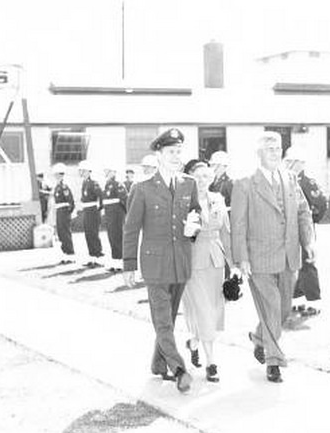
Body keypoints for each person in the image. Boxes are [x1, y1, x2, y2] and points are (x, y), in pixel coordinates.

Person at [231, 132, 315, 383]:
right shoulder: (244, 184)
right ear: (258, 153)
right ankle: (274, 361)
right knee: (271, 306)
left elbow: (303, 212)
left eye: (278, 148)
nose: (275, 153)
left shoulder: (290, 179)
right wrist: (241, 258)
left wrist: (308, 241)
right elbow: (238, 224)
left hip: (289, 257)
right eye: (269, 149)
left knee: (284, 309)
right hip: (259, 259)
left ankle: (259, 338)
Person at [122, 128, 201, 393]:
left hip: (180, 262)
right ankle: (179, 369)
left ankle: (158, 364)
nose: (176, 156)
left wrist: (195, 226)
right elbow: (131, 229)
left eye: (179, 152)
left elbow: (196, 214)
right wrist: (129, 265)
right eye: (171, 152)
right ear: (159, 155)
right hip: (155, 266)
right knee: (163, 321)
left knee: (168, 319)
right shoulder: (143, 188)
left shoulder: (189, 184)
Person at [180, 159, 232, 383]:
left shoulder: (218, 199)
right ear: (190, 178)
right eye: (197, 176)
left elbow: (227, 232)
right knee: (202, 310)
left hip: (216, 261)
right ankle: (211, 362)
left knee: (214, 309)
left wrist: (235, 264)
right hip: (193, 262)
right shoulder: (183, 201)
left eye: (205, 176)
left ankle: (194, 342)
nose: (201, 180)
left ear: (211, 178)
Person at [284, 146, 326, 317]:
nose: (287, 164)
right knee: (295, 263)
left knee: (308, 263)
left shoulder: (307, 182)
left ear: (299, 163)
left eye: (290, 162)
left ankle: (314, 302)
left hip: (304, 227)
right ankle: (298, 300)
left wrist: (311, 222)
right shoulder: (286, 179)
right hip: (289, 229)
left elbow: (320, 204)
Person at [78, 160, 104, 267]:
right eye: (81, 171)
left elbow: (101, 196)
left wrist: (99, 208)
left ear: (89, 171)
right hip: (86, 211)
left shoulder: (93, 183)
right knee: (88, 234)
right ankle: (92, 257)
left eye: (83, 171)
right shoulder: (84, 183)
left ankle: (98, 257)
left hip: (93, 211)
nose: (81, 173)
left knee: (93, 234)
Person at [103, 162, 128, 272]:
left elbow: (125, 199)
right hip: (109, 214)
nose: (106, 173)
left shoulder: (118, 184)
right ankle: (115, 261)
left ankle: (121, 262)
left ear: (113, 172)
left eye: (107, 171)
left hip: (117, 214)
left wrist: (126, 213)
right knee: (112, 237)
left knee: (118, 236)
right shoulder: (107, 184)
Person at [51, 163, 75, 263]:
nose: (55, 176)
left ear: (60, 175)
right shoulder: (57, 186)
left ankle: (70, 255)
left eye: (56, 174)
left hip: (64, 211)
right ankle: (65, 254)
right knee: (61, 233)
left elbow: (70, 201)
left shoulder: (64, 186)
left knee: (65, 233)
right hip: (59, 211)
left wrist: (68, 212)